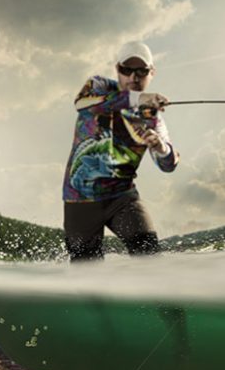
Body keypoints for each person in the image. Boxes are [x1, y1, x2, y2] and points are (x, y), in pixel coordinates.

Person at [62, 40, 179, 262]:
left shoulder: (154, 118)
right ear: (118, 70)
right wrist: (138, 98)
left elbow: (169, 165)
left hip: (122, 198)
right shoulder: (99, 86)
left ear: (151, 72)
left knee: (149, 254)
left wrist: (160, 147)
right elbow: (81, 104)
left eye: (141, 71)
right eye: (127, 70)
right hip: (81, 198)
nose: (133, 77)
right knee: (86, 269)